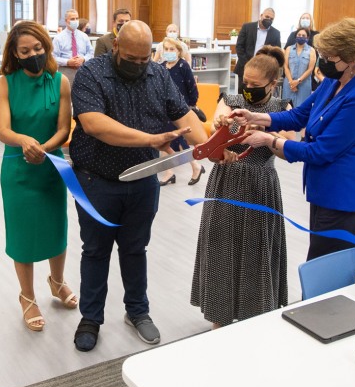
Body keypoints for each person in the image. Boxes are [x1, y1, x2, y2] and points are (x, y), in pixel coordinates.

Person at [69, 20, 209, 352]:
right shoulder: (91, 74)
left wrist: (212, 146)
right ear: (116, 47)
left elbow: (183, 115)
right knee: (95, 251)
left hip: (143, 180)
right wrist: (150, 139)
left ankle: (137, 311)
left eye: (144, 59)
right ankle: (91, 318)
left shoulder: (158, 74)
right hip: (97, 180)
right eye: (131, 59)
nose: (138, 65)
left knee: (135, 249)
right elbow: (93, 123)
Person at [231, 18, 355, 260]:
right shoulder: (334, 81)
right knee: (321, 266)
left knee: (325, 272)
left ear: (352, 58)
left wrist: (270, 141)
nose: (323, 62)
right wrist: (256, 117)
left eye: (329, 57)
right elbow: (299, 115)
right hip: (323, 192)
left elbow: (319, 151)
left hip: (344, 200)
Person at [191, 46, 292, 328]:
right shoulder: (231, 100)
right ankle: (219, 317)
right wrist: (220, 126)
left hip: (261, 183)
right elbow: (214, 133)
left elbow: (289, 147)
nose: (248, 89)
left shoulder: (282, 108)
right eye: (245, 82)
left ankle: (255, 315)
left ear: (273, 84)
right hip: (226, 180)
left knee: (256, 249)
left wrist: (267, 137)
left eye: (256, 85)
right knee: (221, 246)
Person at [0, 21, 77, 332]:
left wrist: (45, 147)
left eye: (38, 48)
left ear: (47, 46)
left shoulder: (60, 82)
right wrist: (25, 141)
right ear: (15, 54)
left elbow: (63, 129)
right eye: (25, 51)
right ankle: (27, 296)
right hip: (18, 170)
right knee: (22, 235)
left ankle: (57, 282)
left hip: (51, 167)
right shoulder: (5, 83)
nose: (33, 55)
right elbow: (3, 130)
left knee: (57, 229)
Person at [157, 37, 204, 186]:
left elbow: (192, 88)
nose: (169, 52)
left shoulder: (183, 66)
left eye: (172, 49)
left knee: (182, 142)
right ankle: (169, 172)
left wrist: (190, 106)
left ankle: (196, 166)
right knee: (165, 141)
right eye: (166, 49)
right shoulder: (162, 67)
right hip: (164, 111)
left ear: (178, 51)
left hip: (181, 110)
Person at [235, 8, 281, 93]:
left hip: (264, 71)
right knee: (242, 94)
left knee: (258, 95)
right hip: (244, 67)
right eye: (267, 17)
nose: (269, 20)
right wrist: (247, 65)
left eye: (271, 19)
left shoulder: (276, 33)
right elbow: (239, 47)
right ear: (261, 15)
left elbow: (276, 53)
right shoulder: (247, 27)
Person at [53, 9, 93, 81]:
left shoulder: (84, 36)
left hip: (83, 72)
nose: (75, 21)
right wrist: (67, 62)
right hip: (66, 72)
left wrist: (83, 59)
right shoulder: (58, 38)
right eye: (72, 19)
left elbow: (91, 53)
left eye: (77, 18)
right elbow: (53, 58)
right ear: (66, 21)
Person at [283, 28, 316, 108]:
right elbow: (286, 66)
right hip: (289, 84)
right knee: (286, 108)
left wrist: (297, 81)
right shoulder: (289, 49)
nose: (301, 37)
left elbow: (310, 69)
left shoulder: (311, 50)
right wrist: (291, 82)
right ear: (295, 36)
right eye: (299, 35)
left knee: (301, 109)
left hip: (304, 84)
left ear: (307, 38)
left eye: (303, 35)